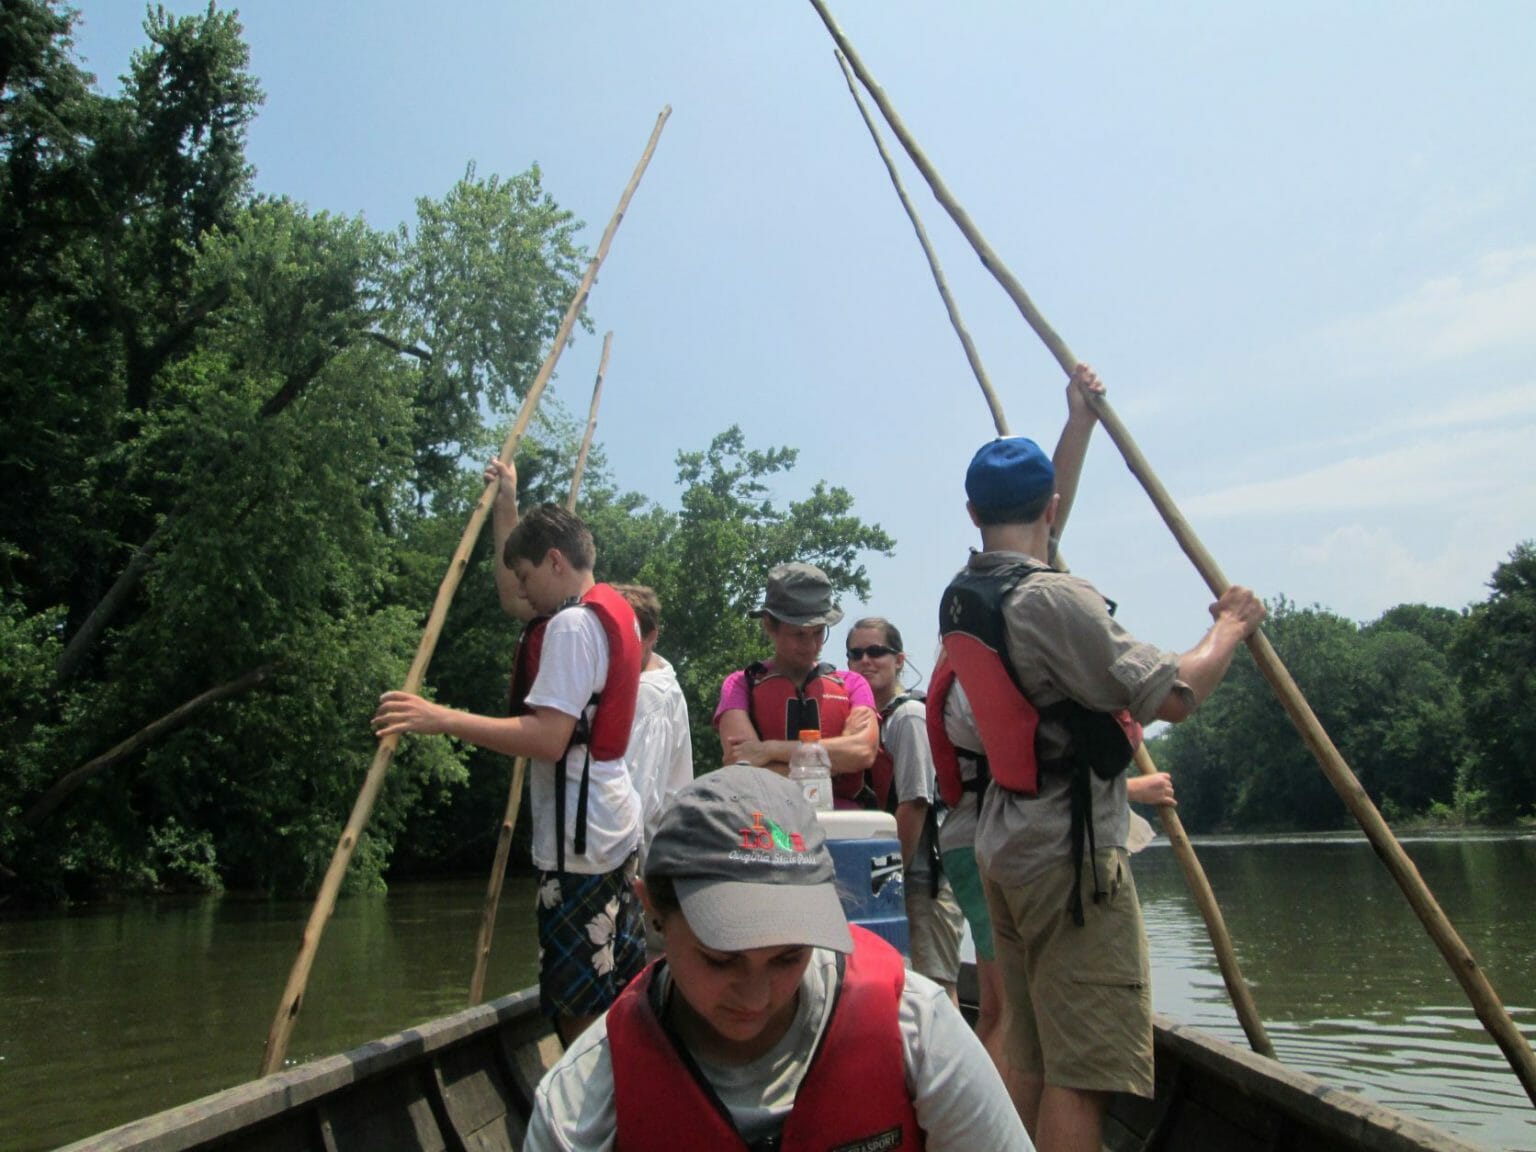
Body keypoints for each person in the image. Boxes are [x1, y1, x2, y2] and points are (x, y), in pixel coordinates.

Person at [939, 365, 1266, 1152]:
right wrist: (1232, 626)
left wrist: (1076, 425)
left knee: (1040, 1056)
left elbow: (1038, 539)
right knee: (1084, 1079)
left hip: (1006, 849)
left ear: (973, 513)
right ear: (1048, 510)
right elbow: (1176, 694)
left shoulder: (969, 592)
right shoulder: (1054, 599)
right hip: (1069, 859)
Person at [522, 763, 1036, 1151]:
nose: (756, 996)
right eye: (720, 960)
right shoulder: (581, 1104)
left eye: (789, 957)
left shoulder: (920, 1032)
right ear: (653, 909)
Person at [373, 462, 646, 1045]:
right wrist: (508, 504)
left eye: (526, 575)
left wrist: (438, 719)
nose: (519, 591)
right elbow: (509, 594)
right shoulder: (609, 605)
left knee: (577, 998)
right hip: (615, 826)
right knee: (617, 982)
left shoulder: (573, 627)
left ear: (554, 561)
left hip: (582, 842)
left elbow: (547, 738)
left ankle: (597, 1117)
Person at [845, 616, 965, 1005]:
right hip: (888, 878)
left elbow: (914, 804)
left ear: (899, 659)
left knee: (933, 993)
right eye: (856, 653)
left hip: (919, 882)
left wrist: (886, 882)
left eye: (876, 651)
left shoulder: (908, 717)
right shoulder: (860, 725)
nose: (866, 660)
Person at [714, 562, 879, 806]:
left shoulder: (853, 684)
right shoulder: (739, 685)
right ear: (770, 625)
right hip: (768, 824)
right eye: (799, 634)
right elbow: (743, 765)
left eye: (818, 632)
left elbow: (862, 752)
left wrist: (768, 750)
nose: (812, 645)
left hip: (843, 823)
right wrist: (832, 762)